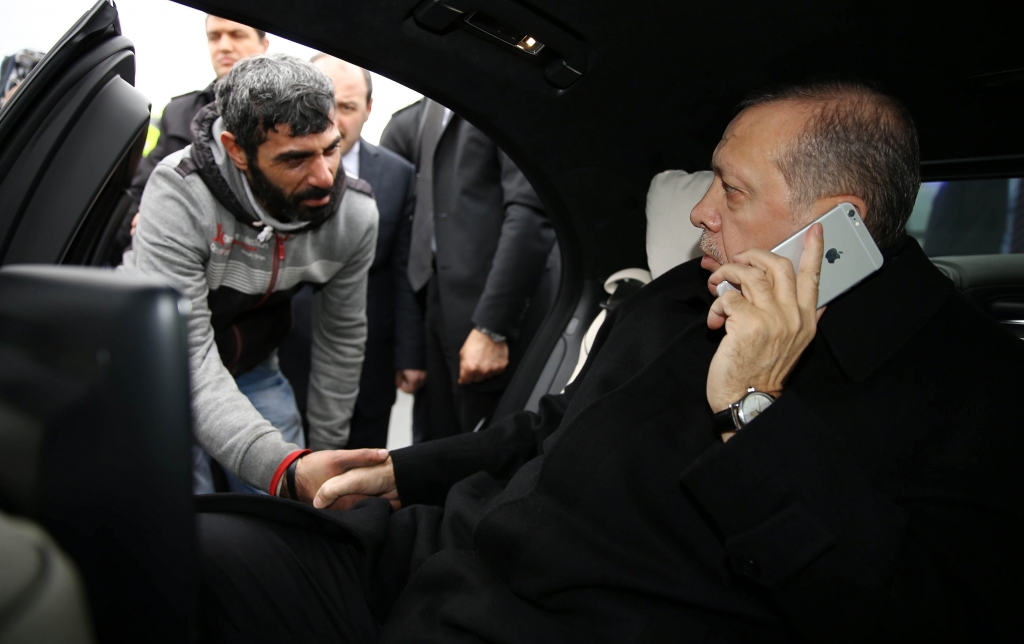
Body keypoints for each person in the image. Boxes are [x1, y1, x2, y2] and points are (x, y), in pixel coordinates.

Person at [195, 80, 1023, 642]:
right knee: (180, 546)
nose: (699, 212)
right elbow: (551, 423)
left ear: (834, 223)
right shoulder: (683, 291)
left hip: (551, 622)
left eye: (729, 191)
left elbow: (908, 610)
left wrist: (756, 411)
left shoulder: (972, 390)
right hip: (436, 552)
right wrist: (403, 471)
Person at [121, 54, 388, 495]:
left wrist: (321, 466)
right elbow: (189, 356)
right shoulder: (180, 193)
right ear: (236, 150)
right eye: (295, 159)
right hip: (159, 365)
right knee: (185, 513)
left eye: (331, 148)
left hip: (254, 364)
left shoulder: (355, 216)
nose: (324, 177)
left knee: (290, 513)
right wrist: (283, 468)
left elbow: (341, 340)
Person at [379, 99, 558, 440]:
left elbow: (530, 214)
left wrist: (493, 328)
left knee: (483, 446)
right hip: (436, 296)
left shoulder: (500, 98)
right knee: (435, 440)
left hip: (488, 308)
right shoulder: (426, 108)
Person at [277, 54, 425, 448]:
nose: (334, 120)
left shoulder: (399, 175)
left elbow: (403, 269)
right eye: (324, 105)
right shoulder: (271, 168)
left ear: (369, 110)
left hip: (367, 361)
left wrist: (409, 353)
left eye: (347, 107)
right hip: (280, 349)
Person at [111, 16, 269, 257]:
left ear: (264, 45)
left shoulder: (283, 116)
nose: (224, 46)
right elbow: (141, 190)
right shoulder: (178, 112)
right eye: (214, 37)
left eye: (237, 35)